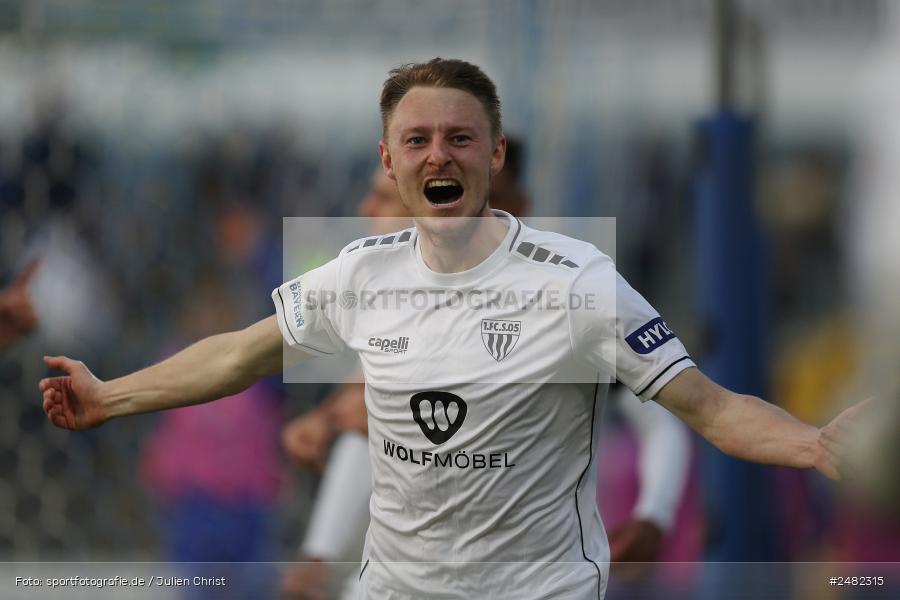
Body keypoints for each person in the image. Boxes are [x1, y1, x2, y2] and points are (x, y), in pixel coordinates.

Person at [39, 58, 866, 600]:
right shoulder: (362, 275)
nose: (440, 156)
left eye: (460, 138)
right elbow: (241, 353)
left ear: (495, 156)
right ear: (391, 161)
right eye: (418, 140)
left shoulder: (579, 284)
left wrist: (813, 443)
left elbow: (708, 410)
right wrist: (111, 395)